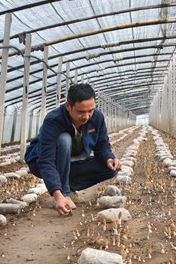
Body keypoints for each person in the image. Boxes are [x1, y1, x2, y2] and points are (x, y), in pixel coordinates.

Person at [25, 84, 122, 215]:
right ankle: (65, 192)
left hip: (72, 162)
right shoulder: (53, 120)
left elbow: (102, 145)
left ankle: (68, 186)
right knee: (64, 139)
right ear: (68, 106)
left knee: (109, 169)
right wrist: (57, 194)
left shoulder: (97, 118)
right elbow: (46, 160)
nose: (87, 116)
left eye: (90, 111)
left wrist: (109, 158)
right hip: (41, 161)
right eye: (81, 112)